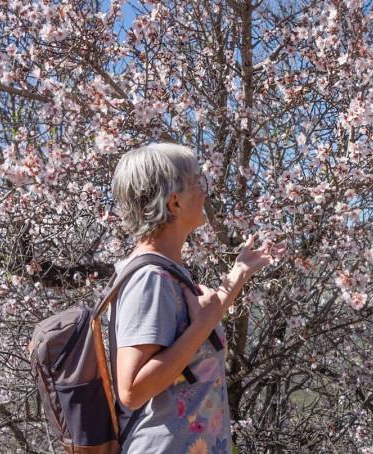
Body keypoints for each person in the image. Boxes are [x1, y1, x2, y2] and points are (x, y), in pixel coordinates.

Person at [110, 143, 284, 453]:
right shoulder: (150, 279)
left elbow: (195, 329)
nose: (204, 193)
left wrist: (239, 274)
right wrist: (202, 326)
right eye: (196, 184)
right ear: (174, 202)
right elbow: (131, 390)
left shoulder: (166, 271)